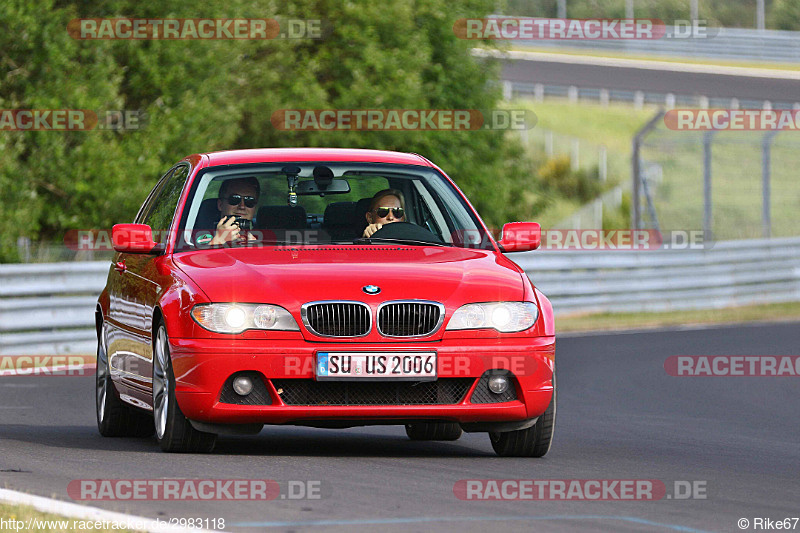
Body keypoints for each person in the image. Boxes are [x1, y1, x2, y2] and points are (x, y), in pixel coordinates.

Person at [208, 177, 260, 245]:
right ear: (220, 205)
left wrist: (254, 248)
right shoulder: (199, 233)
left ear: (254, 208)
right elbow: (197, 255)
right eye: (235, 199)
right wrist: (218, 240)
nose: (242, 206)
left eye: (249, 201)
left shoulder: (266, 237)